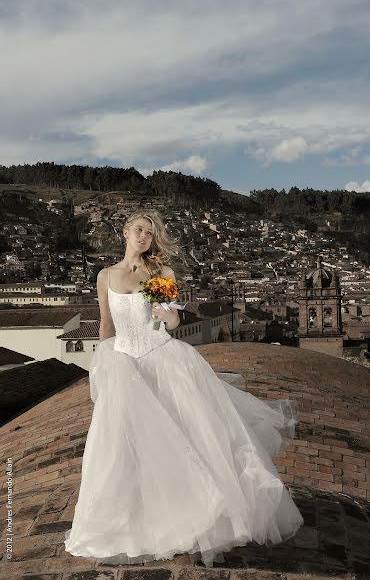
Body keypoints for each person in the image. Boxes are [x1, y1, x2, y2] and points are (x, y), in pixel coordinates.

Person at [64, 209, 304, 568]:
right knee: (126, 447)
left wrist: (168, 315)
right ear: (126, 232)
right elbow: (105, 325)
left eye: (150, 233)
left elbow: (175, 319)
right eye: (139, 230)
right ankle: (137, 522)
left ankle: (193, 517)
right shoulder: (105, 276)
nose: (144, 237)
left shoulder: (160, 273)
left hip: (162, 360)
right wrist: (100, 368)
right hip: (124, 366)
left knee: (183, 440)